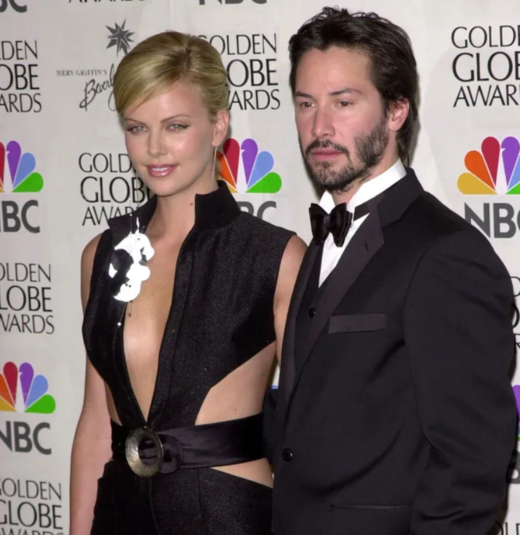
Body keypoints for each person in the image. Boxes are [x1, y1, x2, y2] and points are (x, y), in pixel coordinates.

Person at [272, 8, 517, 535]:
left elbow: (470, 468)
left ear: (396, 111)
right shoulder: (319, 243)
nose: (319, 127)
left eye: (343, 102)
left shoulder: (446, 254)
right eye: (306, 103)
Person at [70, 31, 305, 535]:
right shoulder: (102, 256)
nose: (154, 148)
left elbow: (310, 430)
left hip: (227, 515)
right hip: (118, 515)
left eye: (175, 126)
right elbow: (95, 423)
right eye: (136, 127)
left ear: (218, 125)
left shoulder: (275, 256)